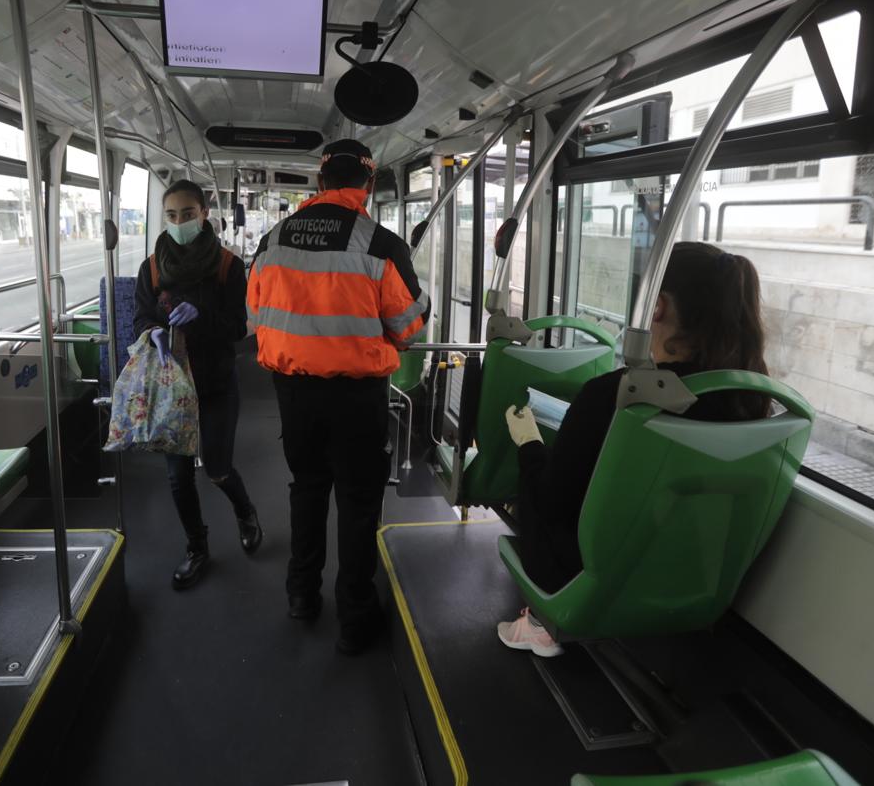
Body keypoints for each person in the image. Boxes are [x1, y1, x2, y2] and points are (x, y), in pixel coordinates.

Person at [497, 242, 771, 657]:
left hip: (595, 576)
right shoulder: (751, 401)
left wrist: (529, 443)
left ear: (656, 307)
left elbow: (552, 503)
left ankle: (539, 621)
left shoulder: (613, 396)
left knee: (538, 486)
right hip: (692, 578)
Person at [247, 138, 429, 655]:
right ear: (367, 186)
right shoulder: (381, 245)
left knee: (306, 488)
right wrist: (425, 304)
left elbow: (255, 319)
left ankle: (301, 595)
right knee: (357, 500)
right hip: (357, 398)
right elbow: (407, 327)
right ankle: (354, 615)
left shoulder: (272, 241)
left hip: (294, 393)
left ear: (320, 182)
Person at [132, 180, 262, 590]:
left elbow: (239, 327)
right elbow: (140, 317)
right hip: (173, 386)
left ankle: (245, 511)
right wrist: (152, 331)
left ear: (204, 213)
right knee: (178, 477)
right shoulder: (152, 267)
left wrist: (201, 315)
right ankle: (197, 548)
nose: (180, 222)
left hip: (216, 381)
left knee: (219, 469)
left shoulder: (227, 265)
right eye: (171, 215)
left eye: (187, 214)